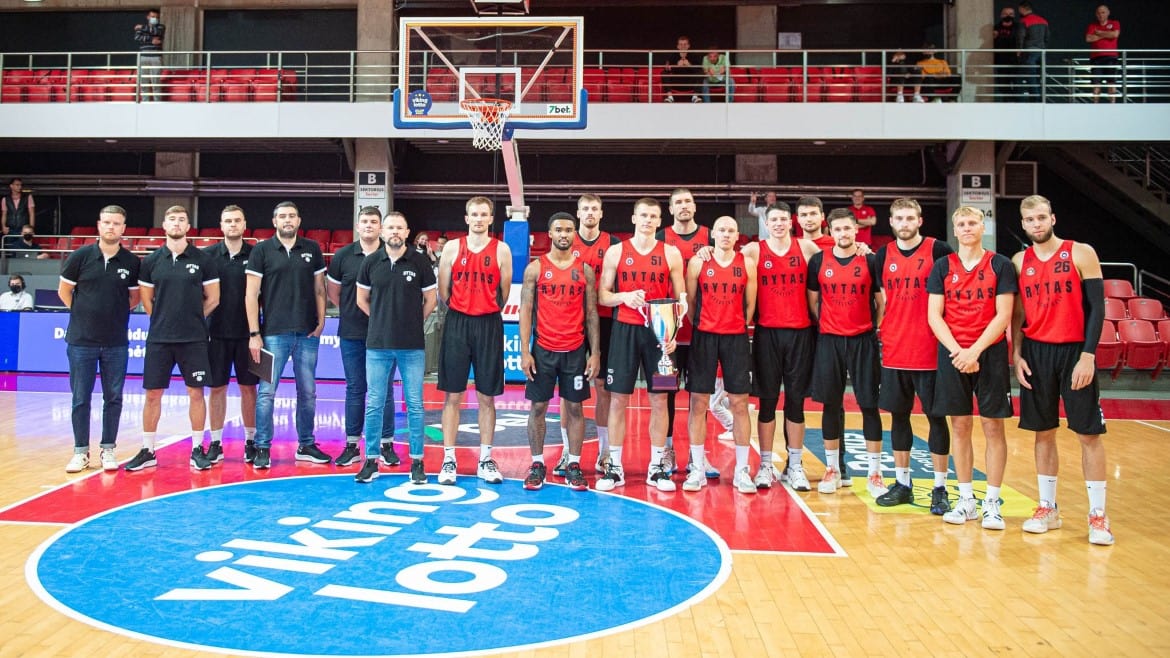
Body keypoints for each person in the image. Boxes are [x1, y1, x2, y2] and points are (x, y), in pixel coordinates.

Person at [1012, 194, 1113, 545]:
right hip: (1036, 353)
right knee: (1043, 433)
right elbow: (1018, 314)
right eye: (1030, 220)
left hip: (1074, 351)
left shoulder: (1080, 253)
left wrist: (1088, 355)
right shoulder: (1019, 261)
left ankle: (1098, 515)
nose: (1036, 224)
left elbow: (1097, 308)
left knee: (1088, 434)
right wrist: (1017, 355)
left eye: (1041, 217)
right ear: (1023, 224)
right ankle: (1048, 508)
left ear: (1052, 218)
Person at [927, 206, 1017, 529]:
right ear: (955, 229)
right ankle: (966, 501)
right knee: (960, 426)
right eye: (961, 224)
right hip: (954, 354)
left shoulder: (1000, 264)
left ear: (982, 226)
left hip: (989, 353)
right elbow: (934, 315)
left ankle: (991, 502)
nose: (967, 228)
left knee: (993, 427)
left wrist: (975, 351)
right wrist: (959, 352)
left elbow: (1004, 315)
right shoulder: (942, 266)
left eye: (972, 223)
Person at [597, 197, 687, 492]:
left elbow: (682, 300)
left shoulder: (671, 253)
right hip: (624, 331)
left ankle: (657, 467)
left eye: (653, 216)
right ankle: (614, 466)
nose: (648, 220)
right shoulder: (617, 251)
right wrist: (624, 296)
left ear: (660, 221)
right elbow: (603, 296)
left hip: (659, 337)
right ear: (634, 218)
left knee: (660, 399)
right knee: (618, 399)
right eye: (643, 215)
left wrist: (673, 333)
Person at [873, 198, 954, 514]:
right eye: (899, 218)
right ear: (891, 222)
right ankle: (902, 483)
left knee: (936, 417)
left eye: (910, 218)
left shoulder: (939, 250)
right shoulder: (883, 255)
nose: (904, 223)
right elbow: (882, 298)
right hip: (895, 348)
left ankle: (940, 488)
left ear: (920, 221)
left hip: (931, 349)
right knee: (898, 417)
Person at [126, 206, 220, 472]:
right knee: (152, 394)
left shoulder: (203, 259)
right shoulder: (151, 261)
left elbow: (214, 298)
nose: (176, 223)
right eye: (172, 219)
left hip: (194, 339)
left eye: (181, 220)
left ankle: (197, 449)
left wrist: (193, 318)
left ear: (188, 227)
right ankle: (148, 450)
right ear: (164, 225)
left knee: (196, 393)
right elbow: (146, 300)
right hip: (160, 338)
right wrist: (164, 320)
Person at [741, 203, 821, 491]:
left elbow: (837, 261)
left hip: (801, 334)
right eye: (773, 219)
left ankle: (795, 465)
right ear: (766, 222)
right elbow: (724, 260)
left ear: (791, 222)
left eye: (782, 219)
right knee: (767, 402)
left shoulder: (807, 248)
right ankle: (765, 465)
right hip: (767, 334)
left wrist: (862, 249)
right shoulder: (753, 251)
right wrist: (705, 252)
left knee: (796, 402)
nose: (777, 223)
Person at [245, 201, 331, 469]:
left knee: (308, 392)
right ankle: (262, 447)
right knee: (266, 393)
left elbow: (320, 289)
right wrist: (254, 333)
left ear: (299, 220)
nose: (287, 220)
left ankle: (306, 444)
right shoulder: (261, 250)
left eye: (292, 216)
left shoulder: (312, 248)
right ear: (274, 222)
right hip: (272, 334)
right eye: (282, 216)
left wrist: (321, 321)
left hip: (307, 333)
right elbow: (251, 294)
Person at [354, 210, 437, 484]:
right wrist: (380, 320)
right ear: (382, 231)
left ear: (407, 232)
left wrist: (412, 322)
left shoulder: (420, 261)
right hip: (377, 346)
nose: (395, 232)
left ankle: (417, 462)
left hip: (412, 346)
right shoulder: (371, 262)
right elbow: (361, 300)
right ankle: (371, 460)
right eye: (390, 227)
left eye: (400, 228)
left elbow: (431, 300)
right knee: (374, 404)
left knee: (415, 405)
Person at [519, 212, 600, 492]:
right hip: (543, 350)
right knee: (538, 407)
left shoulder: (584, 270)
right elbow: (525, 310)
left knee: (575, 407)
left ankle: (574, 464)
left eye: (568, 230)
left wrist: (595, 353)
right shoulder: (535, 268)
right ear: (550, 234)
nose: (564, 234)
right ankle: (537, 464)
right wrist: (525, 351)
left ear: (574, 234)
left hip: (575, 351)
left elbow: (592, 313)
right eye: (559, 230)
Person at [435, 196, 513, 485]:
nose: (479, 219)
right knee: (452, 395)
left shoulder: (502, 249)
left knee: (486, 396)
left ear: (491, 218)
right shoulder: (452, 248)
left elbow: (504, 292)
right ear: (466, 218)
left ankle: (485, 459)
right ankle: (449, 459)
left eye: (484, 214)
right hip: (458, 322)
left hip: (488, 323)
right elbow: (444, 291)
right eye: (474, 214)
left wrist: (483, 309)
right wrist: (464, 309)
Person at [807, 208, 885, 495]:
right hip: (829, 341)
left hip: (863, 340)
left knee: (868, 405)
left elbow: (881, 302)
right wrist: (828, 325)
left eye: (847, 228)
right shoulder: (819, 261)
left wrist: (872, 328)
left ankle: (874, 473)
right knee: (830, 405)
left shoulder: (870, 260)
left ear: (856, 230)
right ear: (831, 231)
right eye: (837, 229)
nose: (843, 233)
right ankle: (832, 469)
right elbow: (813, 301)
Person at [58, 205, 141, 473]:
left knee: (113, 397)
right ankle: (80, 452)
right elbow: (64, 292)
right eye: (107, 222)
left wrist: (111, 314)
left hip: (116, 342)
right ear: (99, 225)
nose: (111, 227)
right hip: (81, 341)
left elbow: (134, 298)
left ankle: (108, 449)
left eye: (116, 223)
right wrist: (84, 314)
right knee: (80, 398)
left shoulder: (131, 262)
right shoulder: (80, 256)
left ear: (123, 228)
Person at [683, 216, 757, 494]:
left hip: (736, 337)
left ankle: (742, 470)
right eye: (721, 230)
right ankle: (697, 469)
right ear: (713, 233)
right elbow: (691, 302)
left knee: (739, 403)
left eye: (731, 231)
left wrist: (735, 325)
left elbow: (750, 305)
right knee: (698, 402)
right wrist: (705, 325)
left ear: (738, 236)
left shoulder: (746, 263)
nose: (726, 234)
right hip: (704, 336)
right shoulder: (698, 262)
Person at [328, 207, 399, 470]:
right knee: (355, 388)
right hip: (352, 333)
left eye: (373, 221)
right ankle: (351, 446)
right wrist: (352, 311)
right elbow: (334, 293)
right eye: (364, 221)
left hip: (385, 335)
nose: (369, 225)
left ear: (380, 227)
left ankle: (386, 445)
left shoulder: (391, 255)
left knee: (384, 390)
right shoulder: (343, 256)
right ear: (358, 226)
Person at [658, 188, 716, 479]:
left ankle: (697, 456)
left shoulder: (712, 237)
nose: (683, 206)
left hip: (701, 331)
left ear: (695, 206)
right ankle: (666, 451)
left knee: (699, 396)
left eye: (688, 201)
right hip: (666, 335)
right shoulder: (660, 238)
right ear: (670, 209)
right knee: (665, 393)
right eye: (678, 202)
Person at [563, 193, 619, 477]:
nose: (589, 213)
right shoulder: (566, 242)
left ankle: (605, 452)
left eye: (594, 209)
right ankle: (566, 453)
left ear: (601, 213)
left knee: (603, 388)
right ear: (578, 213)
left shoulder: (613, 244)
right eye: (584, 208)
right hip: (571, 322)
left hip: (606, 321)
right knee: (568, 391)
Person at [203, 205, 258, 465]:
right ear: (221, 225)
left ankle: (251, 441)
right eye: (228, 221)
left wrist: (257, 332)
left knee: (249, 388)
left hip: (249, 335)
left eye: (237, 220)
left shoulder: (257, 254)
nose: (233, 224)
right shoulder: (208, 256)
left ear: (244, 225)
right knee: (217, 389)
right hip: (216, 334)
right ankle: (215, 443)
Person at [1085, 5, 1121, 103]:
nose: (1101, 15)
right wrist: (1107, 34)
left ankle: (1112, 105)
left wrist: (1099, 33)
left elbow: (1115, 34)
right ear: (1096, 14)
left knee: (1111, 83)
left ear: (1108, 13)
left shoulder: (1114, 23)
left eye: (1103, 12)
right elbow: (1088, 39)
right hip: (1096, 58)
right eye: (1098, 13)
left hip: (1111, 57)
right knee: (1096, 84)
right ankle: (1095, 106)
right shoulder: (1092, 26)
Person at [1016, 1, 1050, 101]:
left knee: (1030, 76)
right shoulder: (1043, 20)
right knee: (1039, 76)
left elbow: (1020, 37)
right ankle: (1039, 99)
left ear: (1022, 9)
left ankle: (1035, 99)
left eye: (1019, 10)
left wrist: (1019, 50)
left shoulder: (1024, 21)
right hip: (1041, 52)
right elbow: (1047, 37)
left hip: (1029, 51)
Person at [134, 9, 166, 102]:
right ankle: (145, 103)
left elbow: (157, 32)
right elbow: (137, 37)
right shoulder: (142, 28)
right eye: (152, 17)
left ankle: (157, 103)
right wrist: (151, 40)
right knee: (144, 82)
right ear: (148, 17)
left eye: (156, 17)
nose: (154, 19)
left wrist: (142, 28)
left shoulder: (161, 27)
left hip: (156, 57)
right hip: (144, 56)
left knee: (156, 82)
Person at [662, 36, 702, 103]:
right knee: (664, 73)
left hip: (690, 83)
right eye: (681, 44)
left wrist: (690, 65)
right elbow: (667, 70)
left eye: (685, 44)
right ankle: (670, 97)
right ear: (678, 46)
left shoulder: (694, 56)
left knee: (701, 72)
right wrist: (676, 66)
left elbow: (699, 70)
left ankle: (695, 97)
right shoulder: (673, 56)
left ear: (688, 46)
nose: (683, 46)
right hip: (676, 83)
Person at [994, 7, 1018, 101]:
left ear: (1014, 15)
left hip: (1015, 61)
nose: (1008, 16)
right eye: (1006, 13)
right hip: (1001, 61)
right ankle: (1008, 102)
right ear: (1001, 15)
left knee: (1017, 85)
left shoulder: (1018, 27)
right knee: (1002, 85)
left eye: (1011, 14)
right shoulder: (996, 28)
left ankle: (1015, 103)